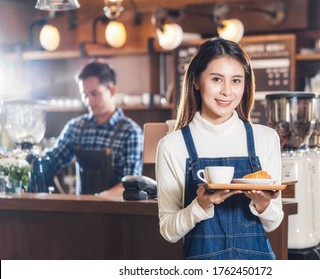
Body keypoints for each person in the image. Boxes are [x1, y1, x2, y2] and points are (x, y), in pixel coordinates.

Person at [155, 37, 284, 260]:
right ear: (196, 81)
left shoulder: (265, 139)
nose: (227, 91)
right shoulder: (172, 145)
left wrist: (263, 204)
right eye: (216, 79)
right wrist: (199, 206)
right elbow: (168, 231)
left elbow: (274, 223)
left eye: (236, 81)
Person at [45, 60, 143, 196]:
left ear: (112, 90)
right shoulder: (76, 128)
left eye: (95, 93)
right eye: (84, 94)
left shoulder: (131, 132)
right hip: (82, 212)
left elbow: (131, 185)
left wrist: (100, 200)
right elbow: (51, 162)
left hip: (118, 213)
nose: (88, 101)